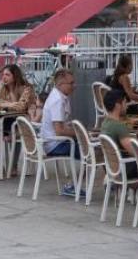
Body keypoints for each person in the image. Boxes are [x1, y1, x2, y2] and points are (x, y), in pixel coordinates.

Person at [40, 69, 81, 197]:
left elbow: (63, 125)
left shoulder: (60, 96)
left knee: (89, 146)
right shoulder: (57, 100)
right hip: (55, 144)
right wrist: (80, 134)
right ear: (60, 84)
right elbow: (59, 131)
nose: (74, 86)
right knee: (90, 152)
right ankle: (71, 185)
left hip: (55, 141)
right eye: (71, 83)